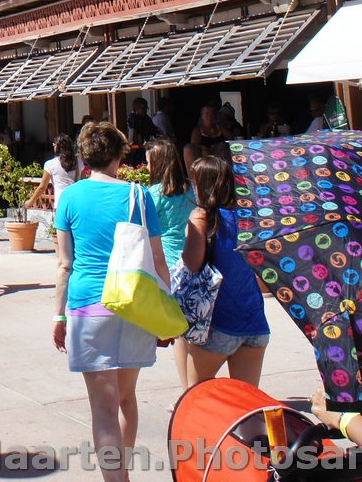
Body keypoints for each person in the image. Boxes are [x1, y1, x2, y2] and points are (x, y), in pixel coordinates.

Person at [52, 123, 171, 482]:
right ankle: (126, 470)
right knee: (126, 397)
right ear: (120, 155)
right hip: (134, 306)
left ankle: (116, 479)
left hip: (89, 306)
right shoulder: (139, 195)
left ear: (84, 158)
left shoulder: (70, 197)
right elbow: (158, 259)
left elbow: (64, 264)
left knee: (102, 409)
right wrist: (165, 316)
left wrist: (58, 316)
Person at [182, 156, 269, 386]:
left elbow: (192, 263)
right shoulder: (250, 218)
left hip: (219, 323)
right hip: (255, 322)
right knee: (247, 405)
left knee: (196, 395)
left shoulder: (203, 217)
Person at [144, 135, 196, 387]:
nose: (146, 167)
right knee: (189, 329)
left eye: (148, 162)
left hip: (165, 263)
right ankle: (192, 387)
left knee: (178, 334)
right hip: (190, 261)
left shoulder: (153, 194)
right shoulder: (189, 189)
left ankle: (187, 390)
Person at [28, 134, 79, 211]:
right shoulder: (78, 162)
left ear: (57, 146)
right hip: (76, 202)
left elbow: (42, 188)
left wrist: (30, 201)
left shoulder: (50, 164)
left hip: (60, 202)